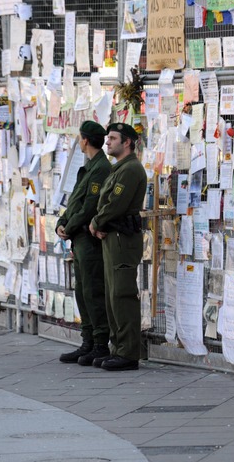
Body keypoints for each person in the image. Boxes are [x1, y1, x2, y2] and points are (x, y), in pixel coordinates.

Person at [89, 123, 147, 371]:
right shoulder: (118, 169)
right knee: (113, 296)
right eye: (108, 138)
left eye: (113, 138)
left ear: (127, 143)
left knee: (122, 295)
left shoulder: (131, 169)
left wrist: (96, 222)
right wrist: (100, 223)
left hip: (123, 239)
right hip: (112, 237)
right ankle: (117, 348)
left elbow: (116, 204)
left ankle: (128, 353)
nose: (107, 142)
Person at [57, 121, 111, 365]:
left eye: (80, 138)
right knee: (82, 291)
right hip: (78, 237)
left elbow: (90, 206)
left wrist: (68, 227)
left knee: (92, 290)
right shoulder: (89, 167)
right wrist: (61, 222)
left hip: (88, 240)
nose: (79, 142)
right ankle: (87, 342)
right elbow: (75, 200)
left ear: (86, 140)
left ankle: (100, 344)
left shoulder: (100, 168)